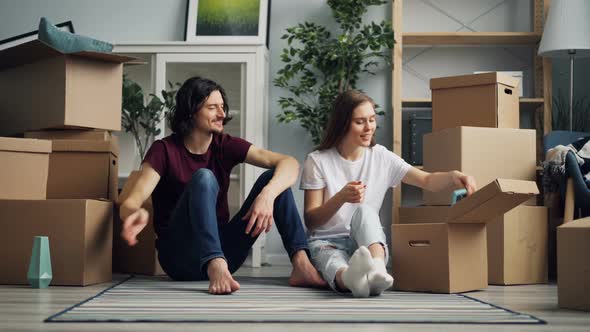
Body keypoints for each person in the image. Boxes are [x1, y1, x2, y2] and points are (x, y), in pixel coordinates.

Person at [119, 76, 326, 295]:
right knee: (204, 178)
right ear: (190, 111)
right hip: (179, 258)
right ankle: (214, 263)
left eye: (222, 107)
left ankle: (301, 264)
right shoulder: (164, 150)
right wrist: (134, 213)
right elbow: (133, 198)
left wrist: (268, 194)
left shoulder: (224, 145)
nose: (222, 114)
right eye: (212, 107)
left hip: (227, 254)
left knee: (275, 178)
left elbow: (289, 163)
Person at [300, 90, 477, 297]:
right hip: (328, 242)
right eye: (360, 122)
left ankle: (376, 269)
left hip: (367, 240)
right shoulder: (318, 161)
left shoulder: (381, 157)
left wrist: (453, 176)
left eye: (372, 120)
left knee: (365, 211)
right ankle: (350, 279)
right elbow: (311, 221)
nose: (369, 128)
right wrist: (340, 198)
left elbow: (427, 181)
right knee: (333, 262)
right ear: (343, 124)